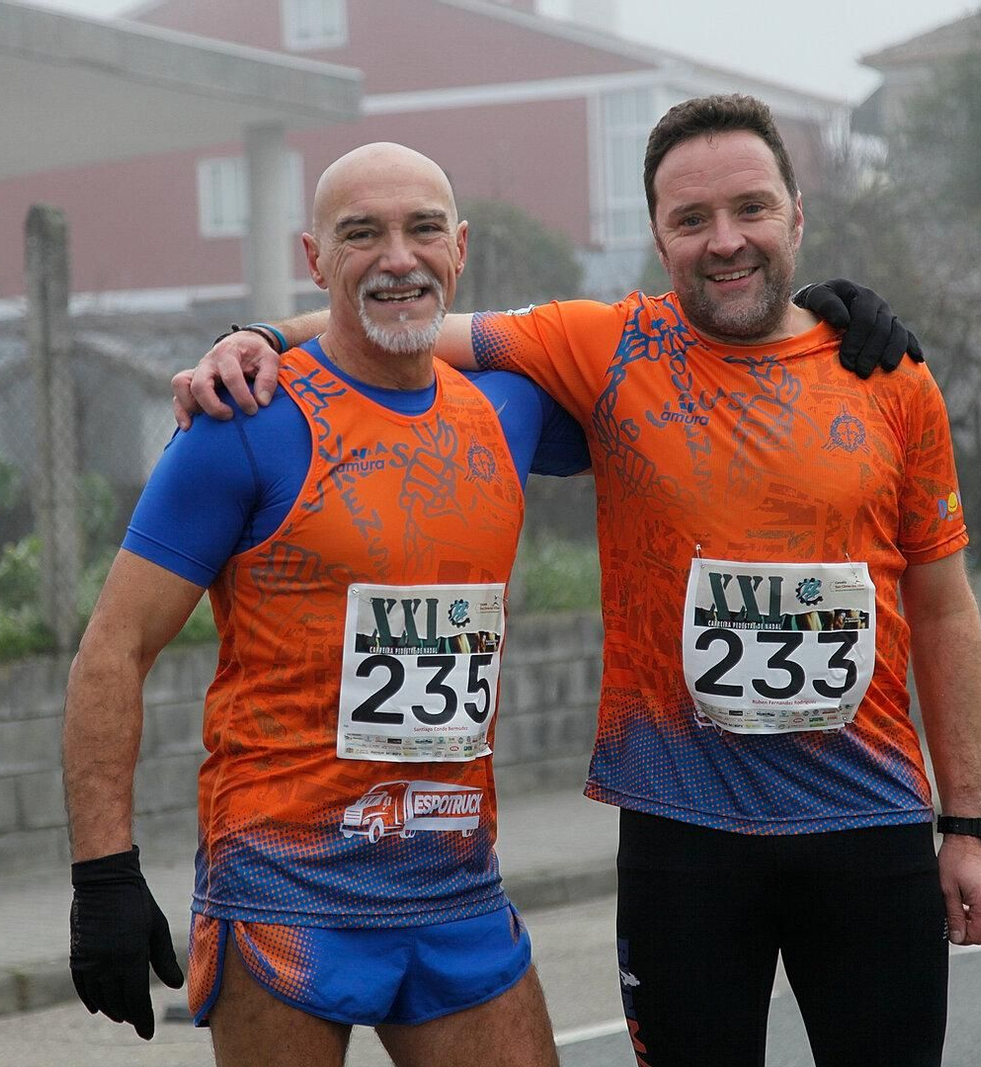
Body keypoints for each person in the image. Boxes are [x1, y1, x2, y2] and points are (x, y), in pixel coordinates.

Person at [173, 94, 981, 1067]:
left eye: (751, 209)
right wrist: (262, 337)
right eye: (691, 220)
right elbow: (395, 315)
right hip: (683, 837)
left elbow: (943, 609)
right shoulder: (608, 344)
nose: (724, 240)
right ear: (656, 235)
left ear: (797, 216)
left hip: (869, 827)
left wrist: (968, 825)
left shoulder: (891, 377)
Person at [63, 142, 599, 1067]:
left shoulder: (509, 409)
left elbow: (684, 377)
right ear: (316, 258)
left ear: (458, 247)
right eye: (363, 234)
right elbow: (112, 648)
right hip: (284, 889)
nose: (398, 256)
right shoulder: (244, 422)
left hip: (455, 883)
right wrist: (103, 874)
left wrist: (824, 326)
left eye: (422, 229)